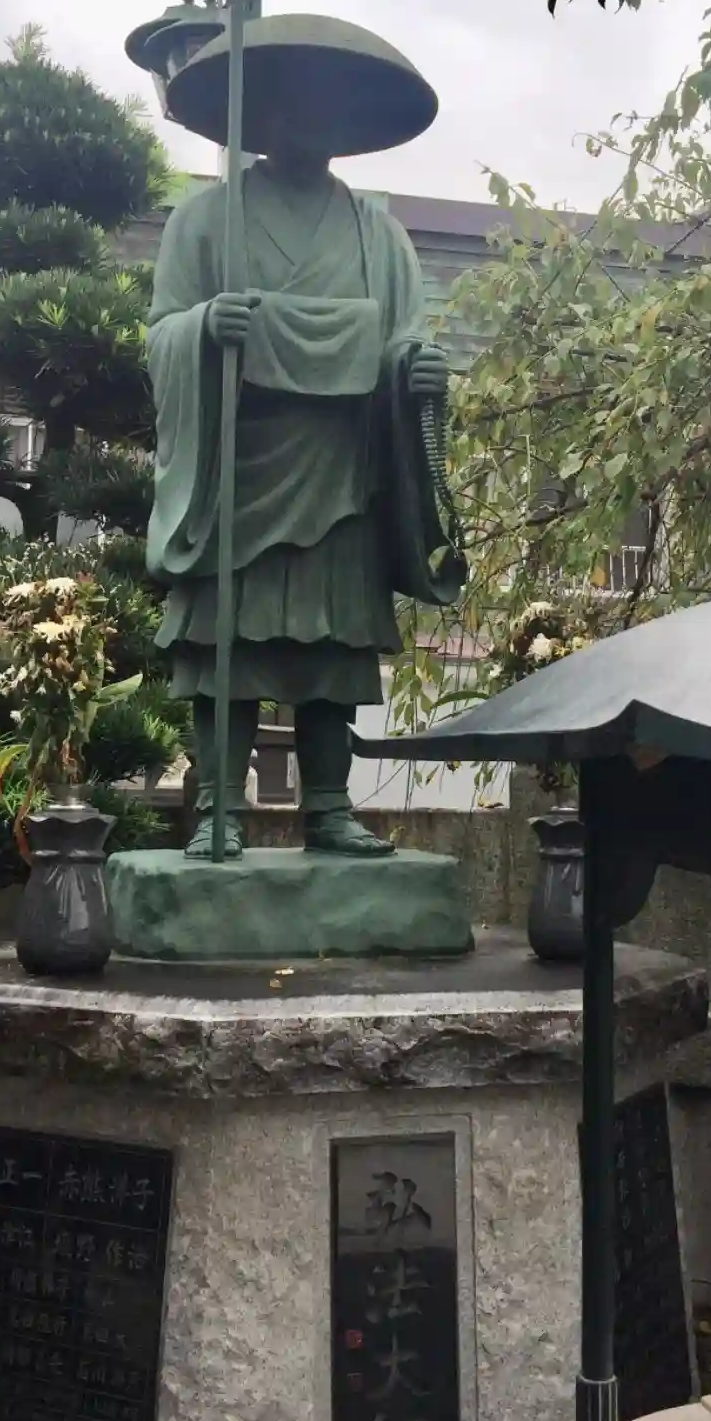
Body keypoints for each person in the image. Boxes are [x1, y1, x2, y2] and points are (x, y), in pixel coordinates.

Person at [146, 90, 461, 860]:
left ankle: (328, 806)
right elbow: (161, 334)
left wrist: (417, 371)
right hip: (237, 466)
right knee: (225, 645)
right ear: (261, 115)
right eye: (293, 105)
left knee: (333, 646)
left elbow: (403, 340)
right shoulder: (203, 221)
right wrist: (203, 327)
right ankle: (220, 807)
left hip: (341, 465)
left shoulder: (378, 236)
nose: (310, 123)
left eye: (326, 110)